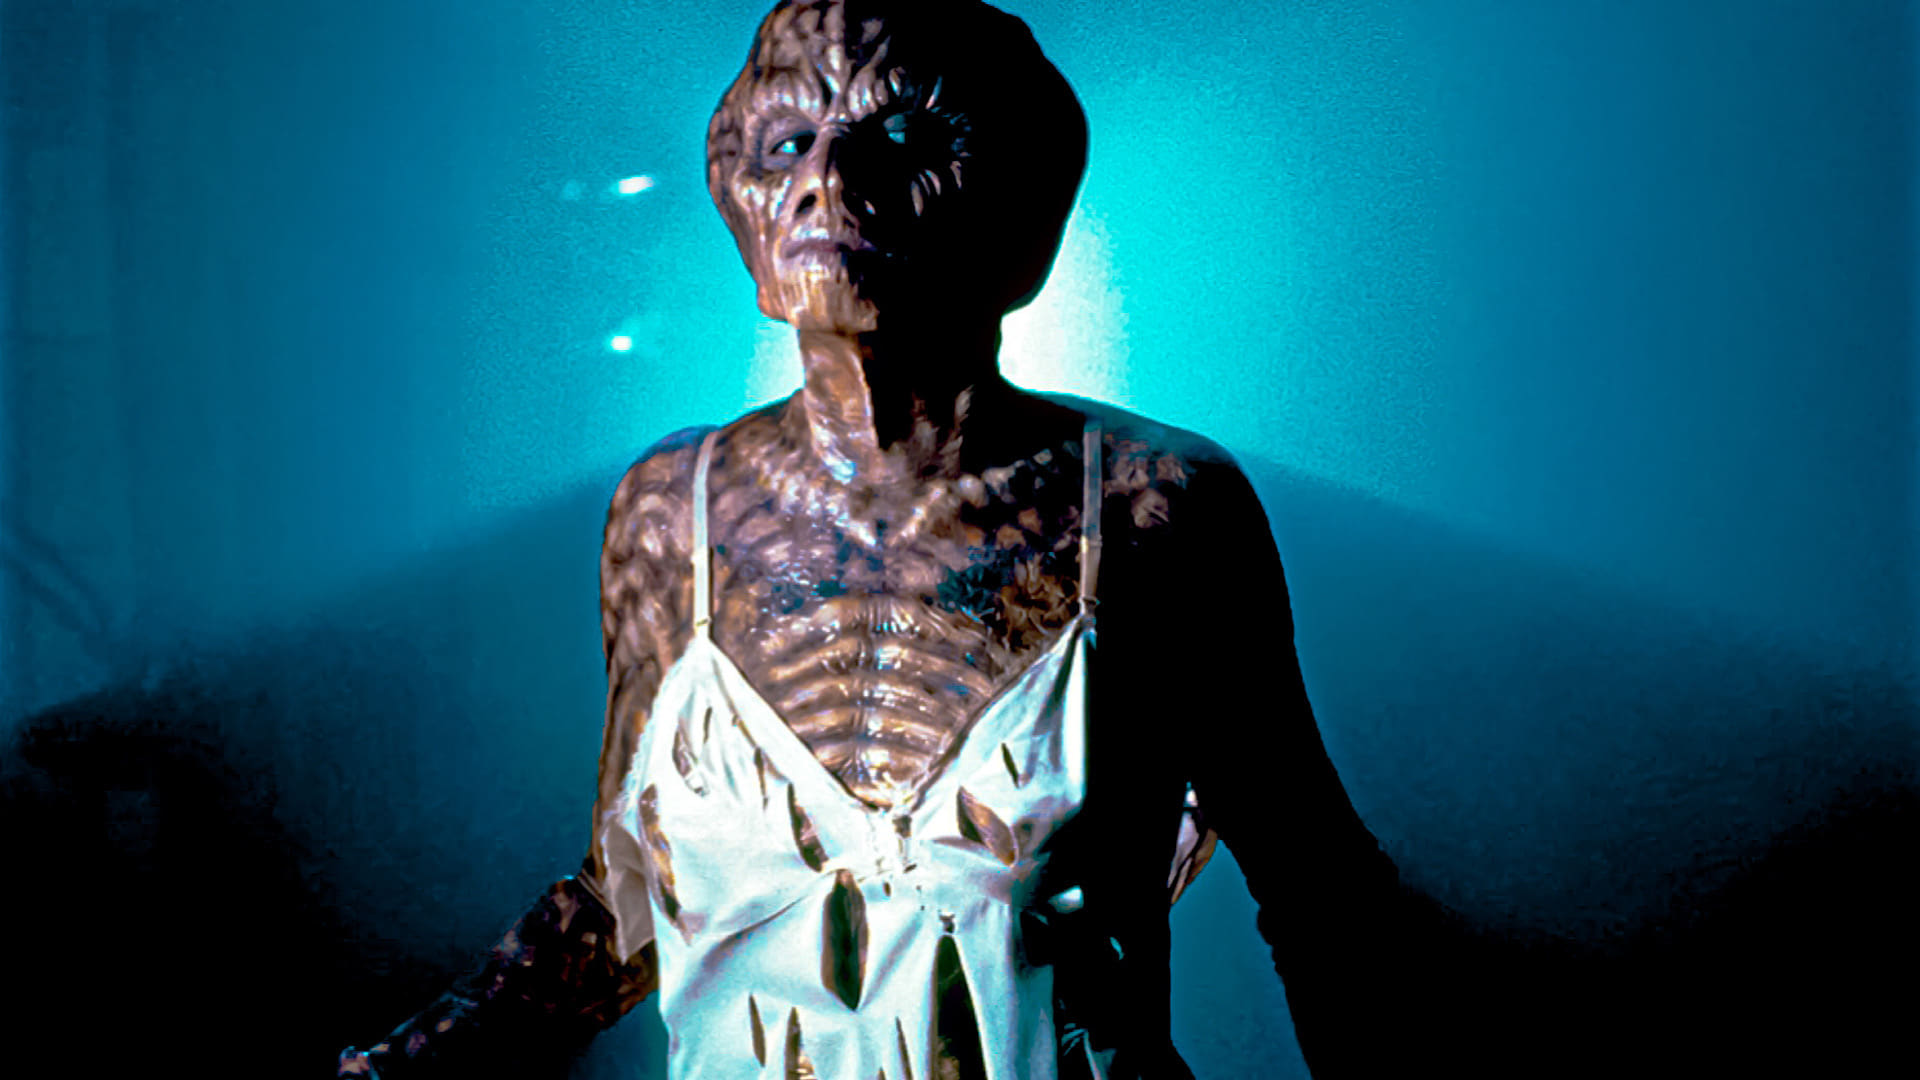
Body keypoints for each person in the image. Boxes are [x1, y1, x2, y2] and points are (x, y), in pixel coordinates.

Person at [339, 1, 1413, 1076]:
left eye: (904, 135)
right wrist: (405, 1064)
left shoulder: (1154, 508)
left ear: (1023, 201)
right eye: (788, 142)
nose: (830, 179)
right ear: (742, 199)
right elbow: (625, 898)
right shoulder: (671, 513)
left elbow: (1324, 899)